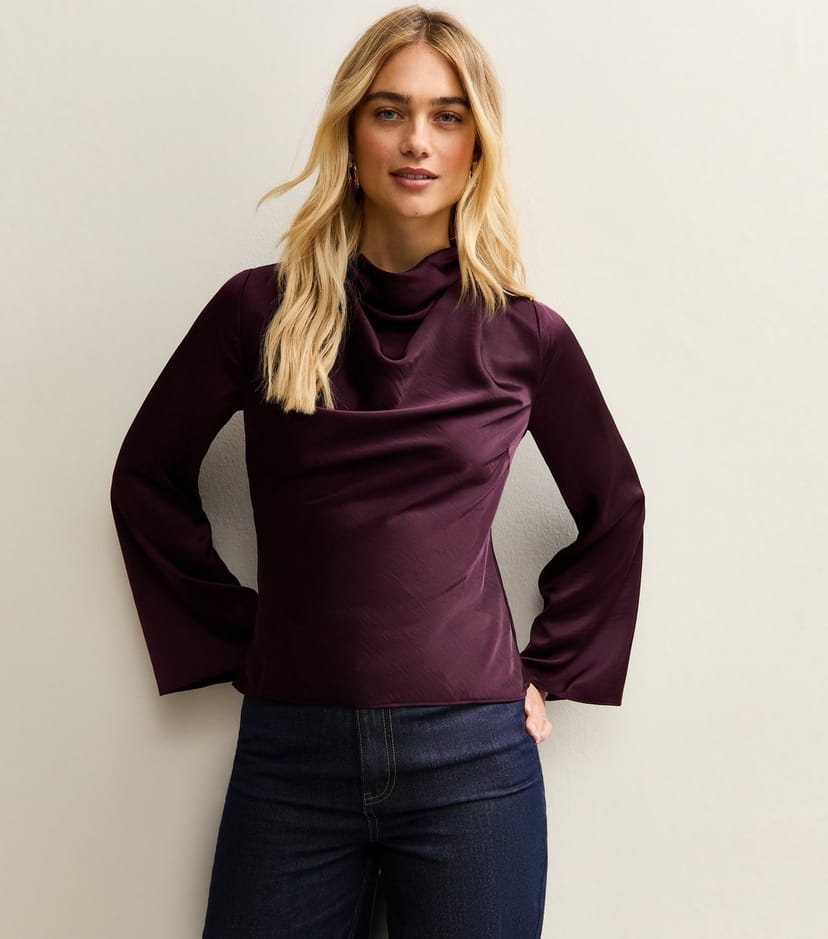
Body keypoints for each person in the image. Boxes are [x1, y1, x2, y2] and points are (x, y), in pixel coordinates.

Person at [109, 5, 645, 937]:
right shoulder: (259, 312)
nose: (417, 141)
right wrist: (243, 635)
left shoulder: (524, 336)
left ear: (477, 146)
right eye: (389, 111)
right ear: (351, 133)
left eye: (447, 116)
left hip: (473, 760)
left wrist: (551, 667)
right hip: (291, 756)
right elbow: (145, 479)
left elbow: (617, 507)